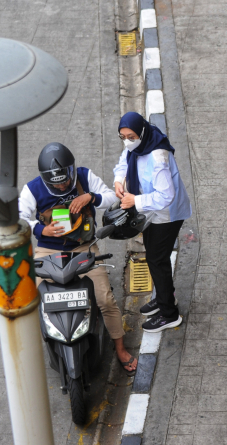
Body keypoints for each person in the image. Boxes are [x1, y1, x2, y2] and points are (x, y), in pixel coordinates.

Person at [19, 142, 137, 374]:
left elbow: (111, 199)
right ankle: (29, 355)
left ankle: (120, 349)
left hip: (84, 247)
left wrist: (90, 198)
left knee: (104, 299)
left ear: (72, 170)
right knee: (31, 303)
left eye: (65, 179)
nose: (63, 185)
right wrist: (42, 230)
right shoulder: (32, 189)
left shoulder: (84, 176)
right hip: (48, 251)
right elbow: (18, 220)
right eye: (56, 183)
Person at [114, 112, 191, 333]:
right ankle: (165, 297)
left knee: (157, 260)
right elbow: (123, 162)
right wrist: (119, 180)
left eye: (131, 136)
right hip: (150, 212)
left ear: (142, 133)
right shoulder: (137, 146)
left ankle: (169, 314)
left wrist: (135, 200)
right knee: (155, 257)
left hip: (166, 215)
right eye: (123, 136)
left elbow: (166, 195)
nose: (127, 141)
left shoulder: (158, 157)